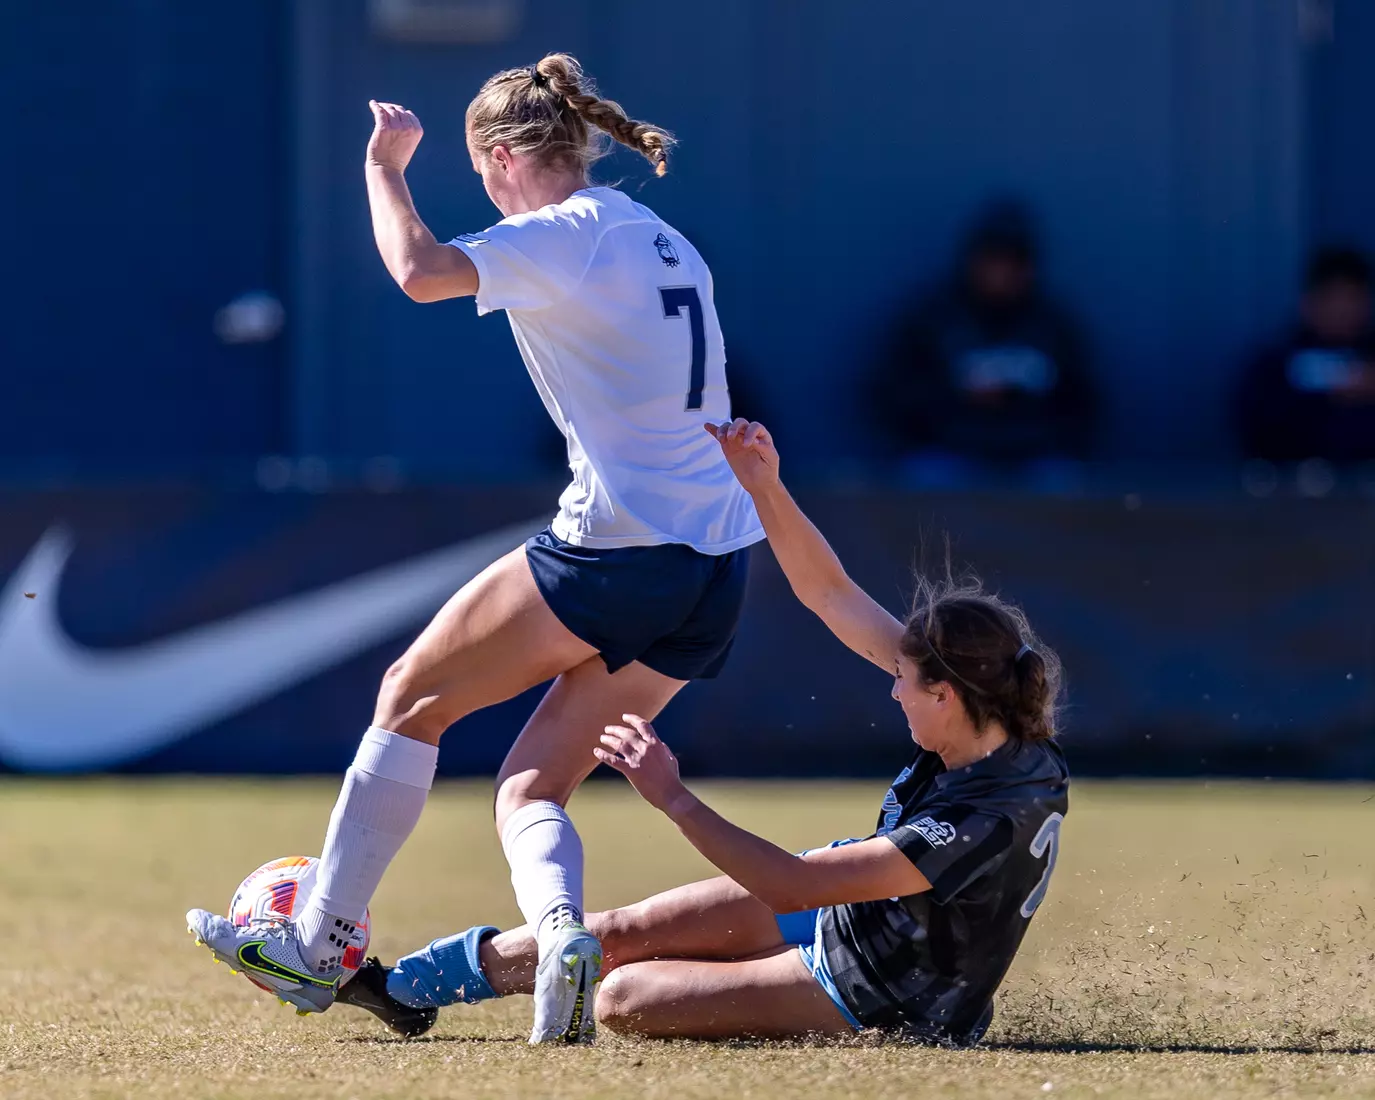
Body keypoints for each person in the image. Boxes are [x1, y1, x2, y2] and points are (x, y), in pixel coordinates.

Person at [186, 54, 763, 1045]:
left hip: (622, 548)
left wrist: (383, 167)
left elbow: (418, 272)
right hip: (717, 569)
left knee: (411, 694)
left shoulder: (565, 232)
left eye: (478, 171)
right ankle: (563, 937)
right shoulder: (661, 236)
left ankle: (319, 940)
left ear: (500, 158)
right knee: (530, 786)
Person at [342, 420, 1070, 1046]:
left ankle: (761, 987)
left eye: (903, 681)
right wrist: (763, 486)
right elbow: (830, 595)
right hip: (859, 908)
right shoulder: (993, 718)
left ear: (944, 694)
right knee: (614, 933)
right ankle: (398, 987)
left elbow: (792, 886)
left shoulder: (979, 819)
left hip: (885, 989)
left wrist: (671, 796)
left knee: (621, 996)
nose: (891, 687)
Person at [871, 202, 1096, 482]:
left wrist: (1021, 401)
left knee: (1061, 478)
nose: (1001, 274)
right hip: (951, 449)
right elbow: (892, 395)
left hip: (1034, 453)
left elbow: (1085, 406)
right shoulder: (932, 319)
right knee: (926, 476)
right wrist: (959, 395)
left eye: (1012, 263)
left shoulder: (1054, 325)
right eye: (992, 261)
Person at [1235, 246, 1375, 464]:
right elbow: (1257, 429)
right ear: (1308, 302)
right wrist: (1329, 396)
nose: (1341, 309)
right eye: (1330, 298)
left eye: (1352, 298)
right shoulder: (1276, 364)